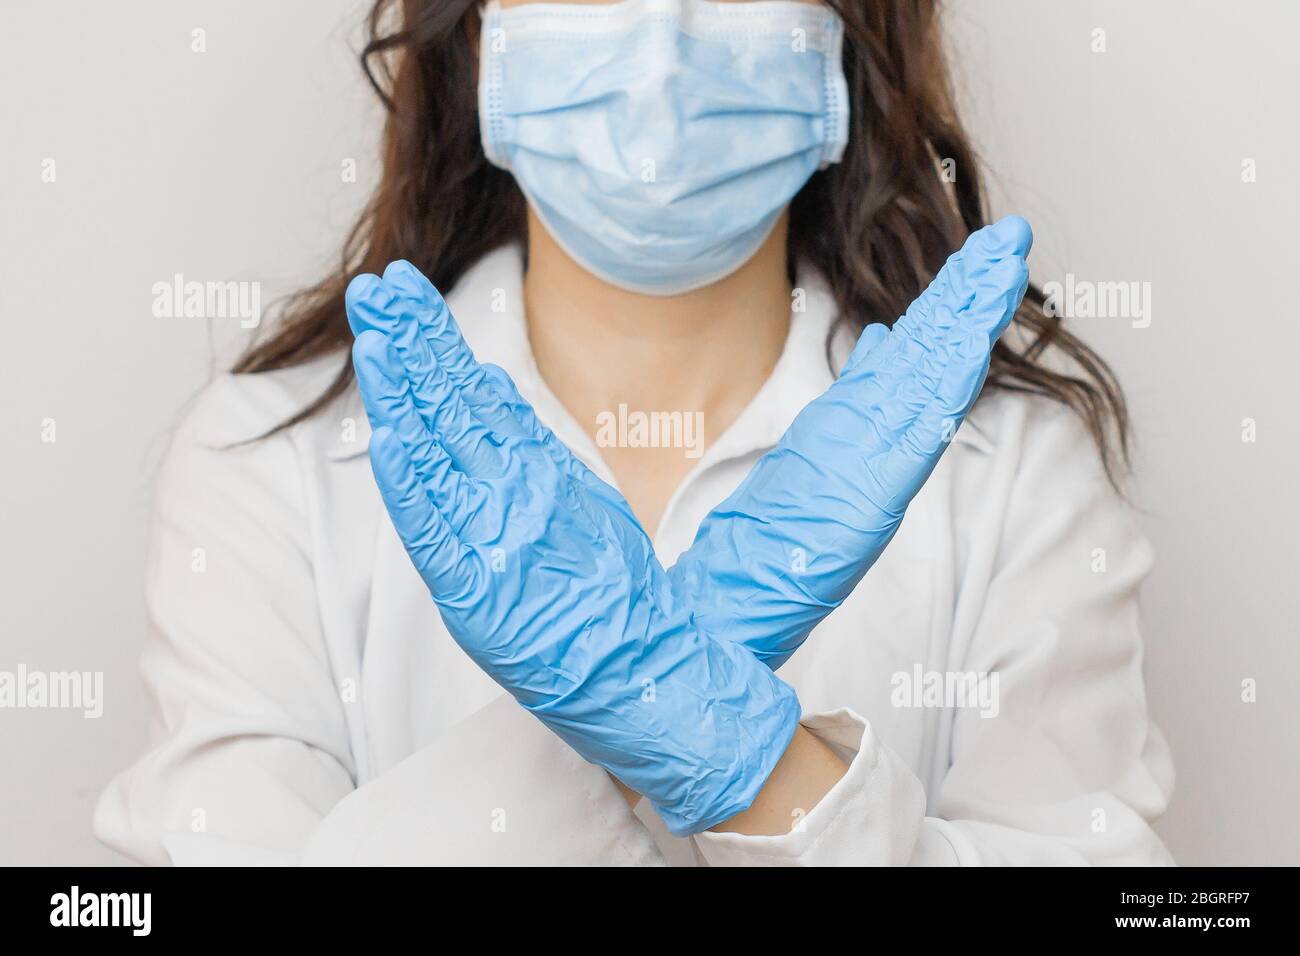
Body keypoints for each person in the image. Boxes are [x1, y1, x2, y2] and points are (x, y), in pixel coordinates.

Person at [96, 0, 1174, 865]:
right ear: (478, 35)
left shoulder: (1014, 469)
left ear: (848, 34)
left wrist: (744, 756)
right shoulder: (266, 465)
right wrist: (649, 714)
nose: (662, 42)